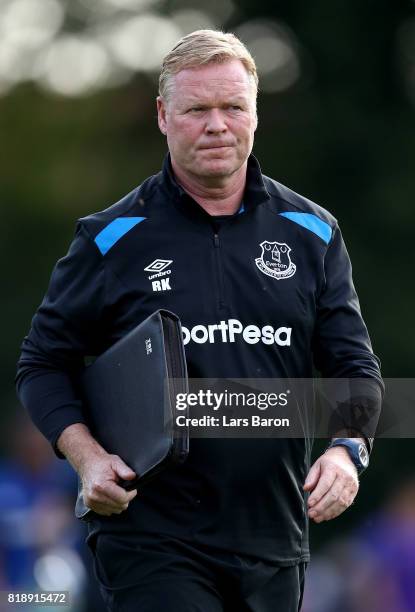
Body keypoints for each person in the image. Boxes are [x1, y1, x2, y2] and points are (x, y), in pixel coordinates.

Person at [16, 30, 383, 612]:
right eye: (197, 109)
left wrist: (347, 450)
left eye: (233, 107)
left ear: (254, 113)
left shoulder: (313, 233)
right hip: (151, 539)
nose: (217, 125)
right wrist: (87, 458)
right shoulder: (111, 239)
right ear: (164, 116)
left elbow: (354, 366)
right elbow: (42, 363)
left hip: (274, 537)